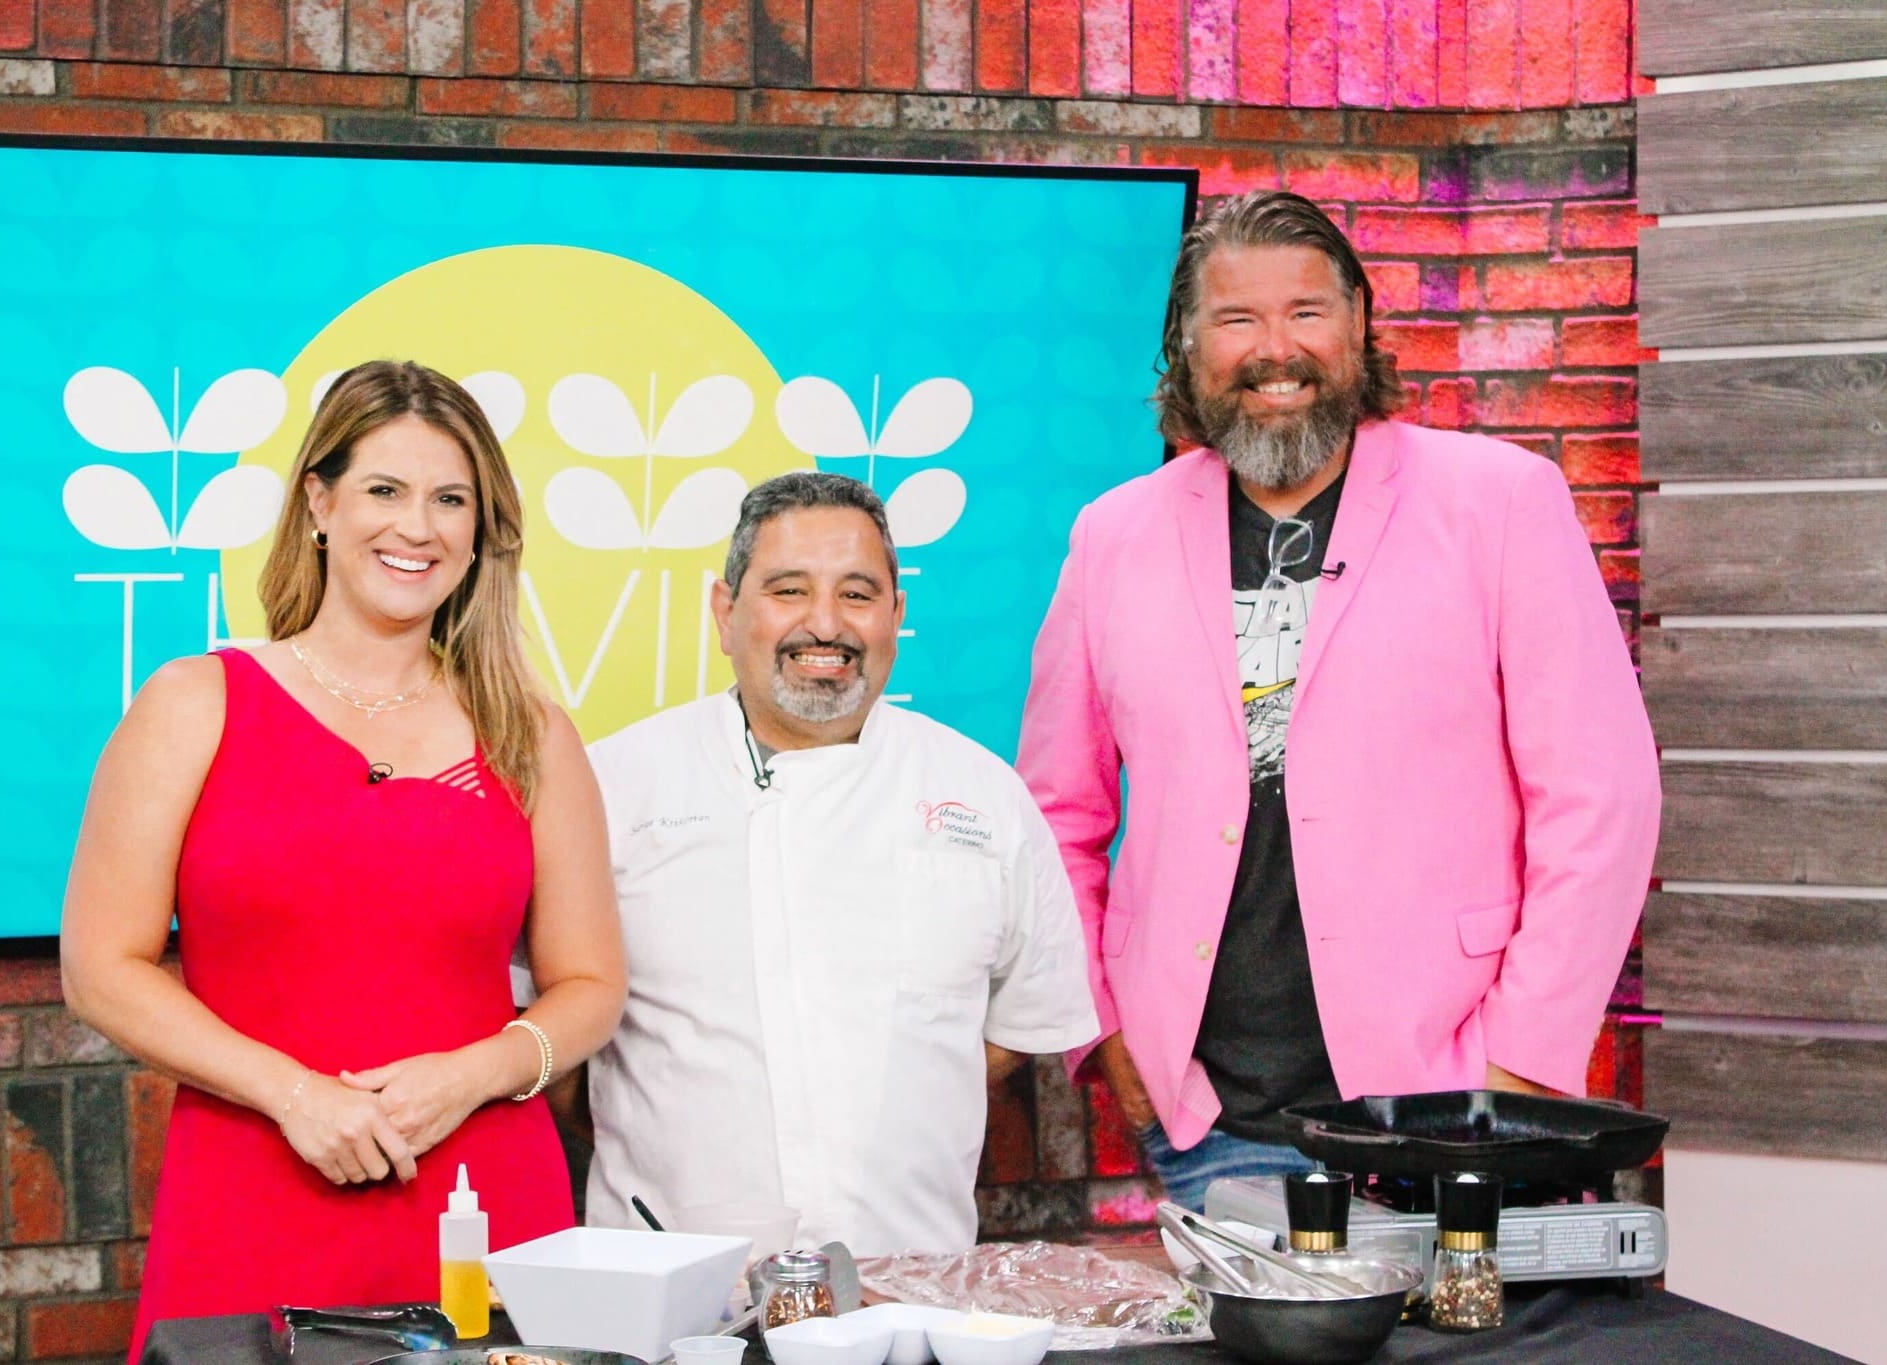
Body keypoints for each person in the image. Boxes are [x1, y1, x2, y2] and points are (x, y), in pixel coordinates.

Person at [1016, 191, 1660, 1204]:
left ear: (1358, 325)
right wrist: (1100, 1032)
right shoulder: (1111, 537)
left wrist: (1519, 1067)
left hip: (1451, 1106)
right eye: (1236, 320)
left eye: (1306, 312)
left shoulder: (1497, 503)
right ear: (1185, 349)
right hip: (1212, 1122)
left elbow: (1599, 799)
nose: (1276, 350)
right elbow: (1054, 815)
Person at [61, 360, 626, 1360]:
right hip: (251, 1186)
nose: (418, 526)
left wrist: (473, 1074)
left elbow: (588, 985)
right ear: (317, 502)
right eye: (384, 490)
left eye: (451, 499)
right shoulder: (196, 703)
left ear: (480, 531)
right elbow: (99, 966)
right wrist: (294, 1093)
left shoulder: (531, 734)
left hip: (482, 1200)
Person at [574, 471, 1097, 1256]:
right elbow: (554, 1039)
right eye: (788, 589)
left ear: (897, 614)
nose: (825, 625)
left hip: (915, 1287)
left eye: (857, 594)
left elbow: (1013, 1030)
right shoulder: (612, 785)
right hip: (669, 1299)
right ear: (726, 612)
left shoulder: (983, 796)